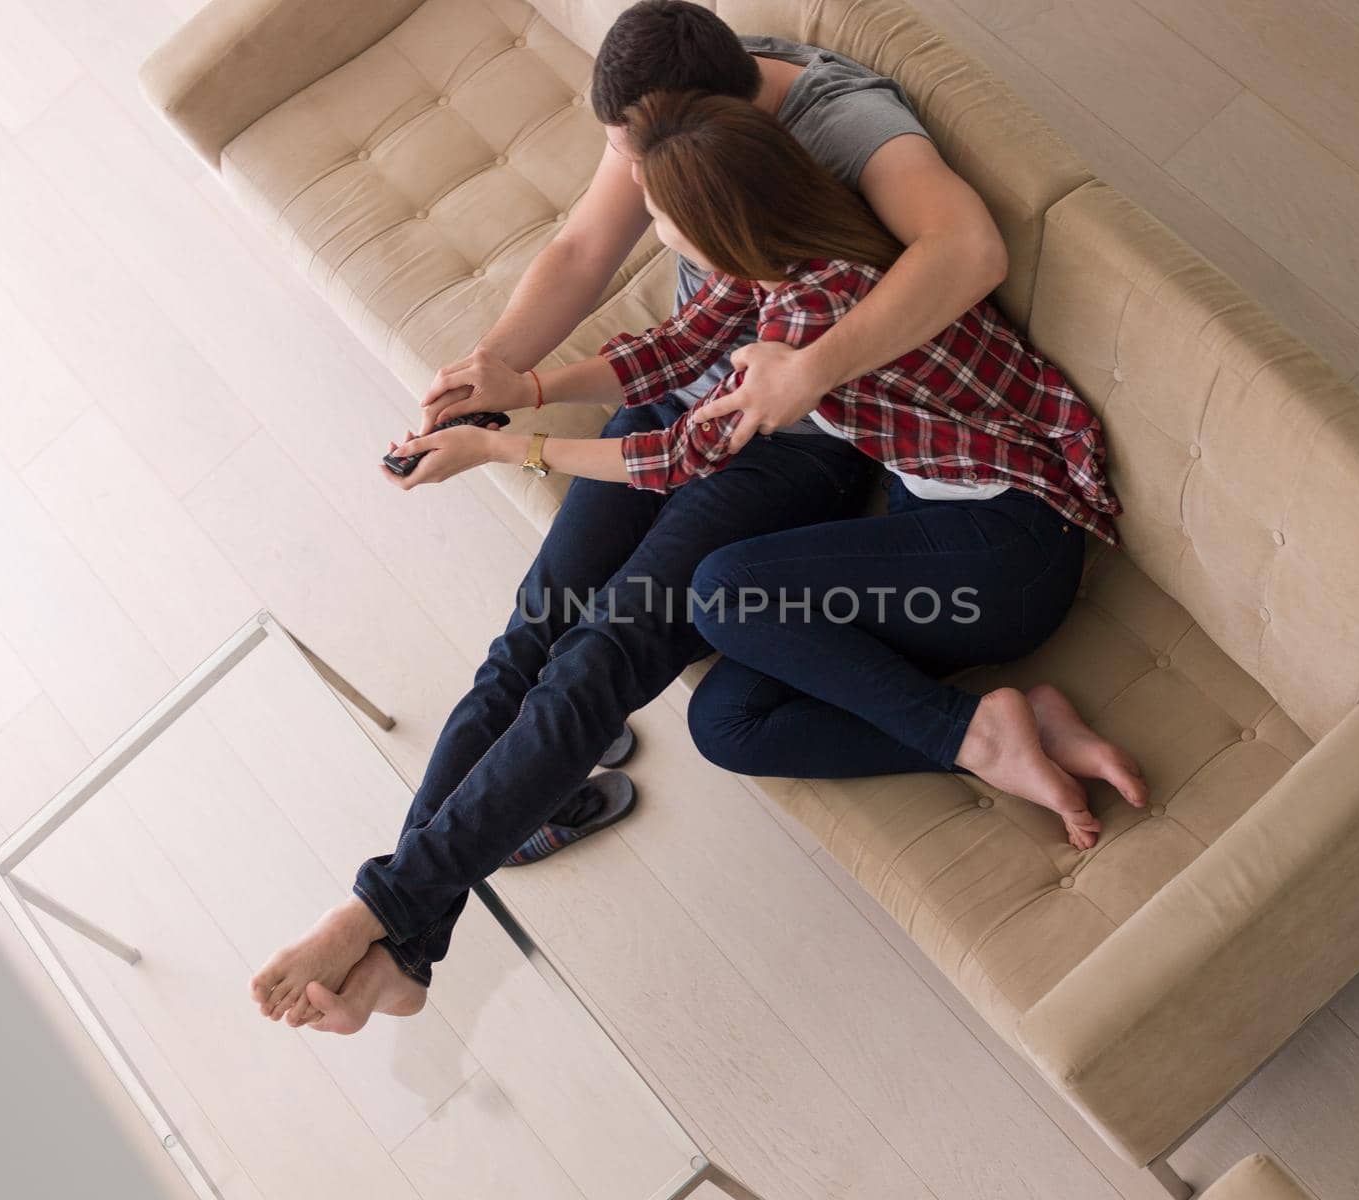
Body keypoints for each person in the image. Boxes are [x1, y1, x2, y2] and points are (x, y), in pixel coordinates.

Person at [249, 0, 1011, 1033]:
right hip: (694, 389)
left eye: (652, 184)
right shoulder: (667, 126)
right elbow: (589, 259)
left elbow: (966, 249)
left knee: (598, 657)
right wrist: (502, 379)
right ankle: (407, 949)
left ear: (710, 127)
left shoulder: (841, 123)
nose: (636, 195)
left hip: (794, 444)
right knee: (529, 636)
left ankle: (376, 912)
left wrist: (802, 375)